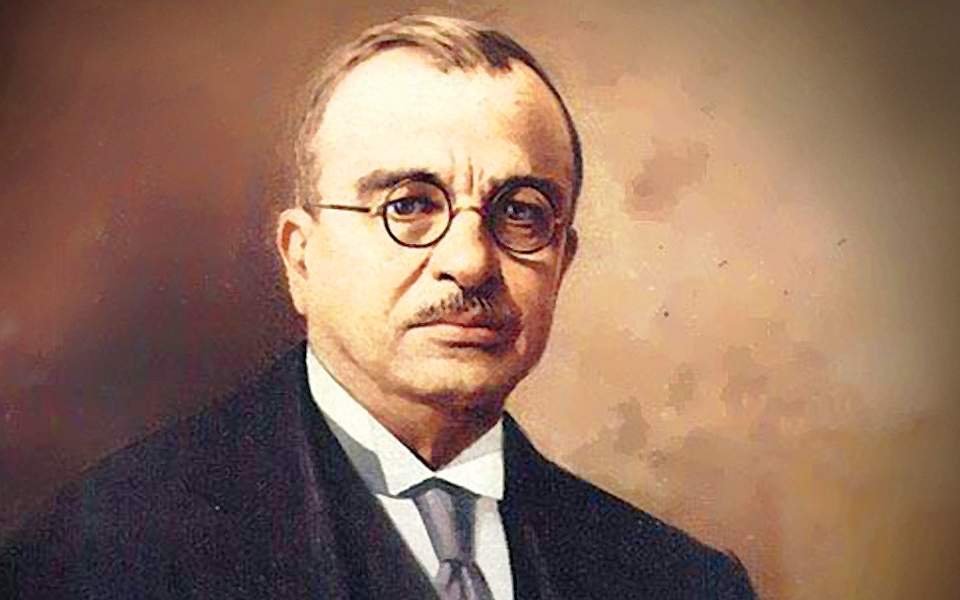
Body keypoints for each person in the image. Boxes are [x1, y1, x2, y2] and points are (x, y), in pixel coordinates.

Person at [0, 15, 755, 599]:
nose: (470, 261)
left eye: (521, 213)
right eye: (409, 205)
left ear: (563, 262)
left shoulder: (680, 582)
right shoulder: (108, 552)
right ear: (302, 258)